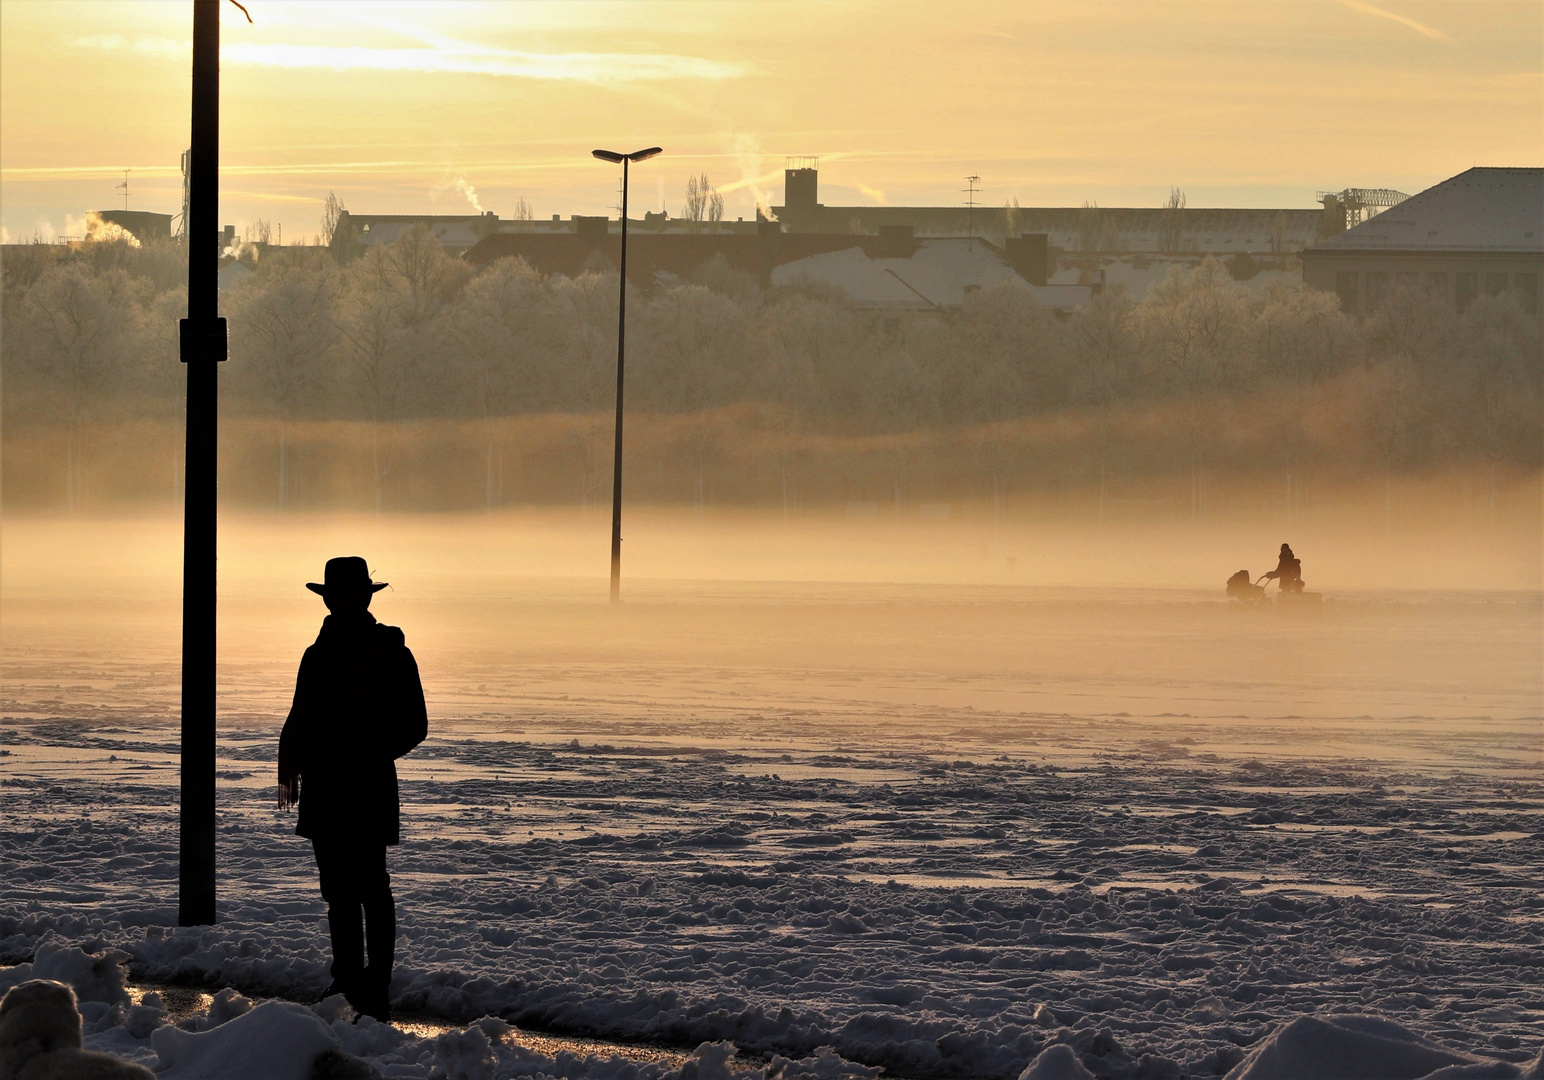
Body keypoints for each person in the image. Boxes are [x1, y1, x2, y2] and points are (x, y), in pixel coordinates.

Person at [277, 556, 427, 1022]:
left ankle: (373, 986)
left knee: (367, 888)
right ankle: (349, 982)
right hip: (335, 784)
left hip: (358, 783)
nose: (342, 603)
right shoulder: (318, 653)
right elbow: (301, 715)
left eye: (346, 596)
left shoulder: (387, 652)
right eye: (338, 596)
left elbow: (415, 725)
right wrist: (303, 765)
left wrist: (366, 753)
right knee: (342, 889)